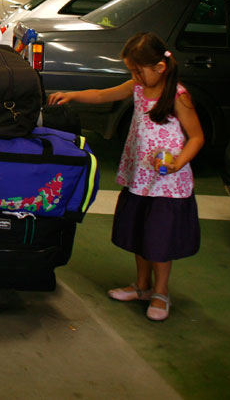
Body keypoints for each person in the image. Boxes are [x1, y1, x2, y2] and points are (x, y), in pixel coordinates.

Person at [47, 31, 205, 322]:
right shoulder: (138, 88)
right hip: (140, 178)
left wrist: (178, 163)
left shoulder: (178, 97)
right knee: (141, 234)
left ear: (160, 67)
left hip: (166, 184)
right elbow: (102, 95)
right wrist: (72, 95)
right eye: (131, 70)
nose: (134, 76)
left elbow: (196, 137)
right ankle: (142, 287)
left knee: (159, 240)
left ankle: (161, 292)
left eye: (138, 70)